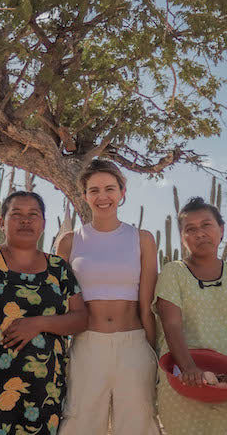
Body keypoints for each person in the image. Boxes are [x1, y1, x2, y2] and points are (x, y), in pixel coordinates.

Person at [0, 190, 87, 435]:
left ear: (43, 224)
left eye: (33, 215)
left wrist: (38, 324)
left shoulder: (58, 268)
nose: (25, 220)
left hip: (46, 393)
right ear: (1, 222)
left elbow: (81, 318)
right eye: (16, 214)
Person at [56, 159, 160, 435]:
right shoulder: (69, 241)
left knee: (140, 423)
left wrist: (156, 352)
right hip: (87, 345)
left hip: (134, 345)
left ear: (122, 192)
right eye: (94, 190)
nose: (103, 197)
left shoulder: (143, 239)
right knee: (79, 423)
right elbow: (58, 302)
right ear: (84, 195)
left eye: (110, 189)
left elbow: (148, 306)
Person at [154, 196, 227, 435]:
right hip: (185, 383)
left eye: (206, 225)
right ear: (182, 238)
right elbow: (171, 324)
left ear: (221, 230)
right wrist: (188, 368)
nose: (199, 233)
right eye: (190, 229)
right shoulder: (174, 273)